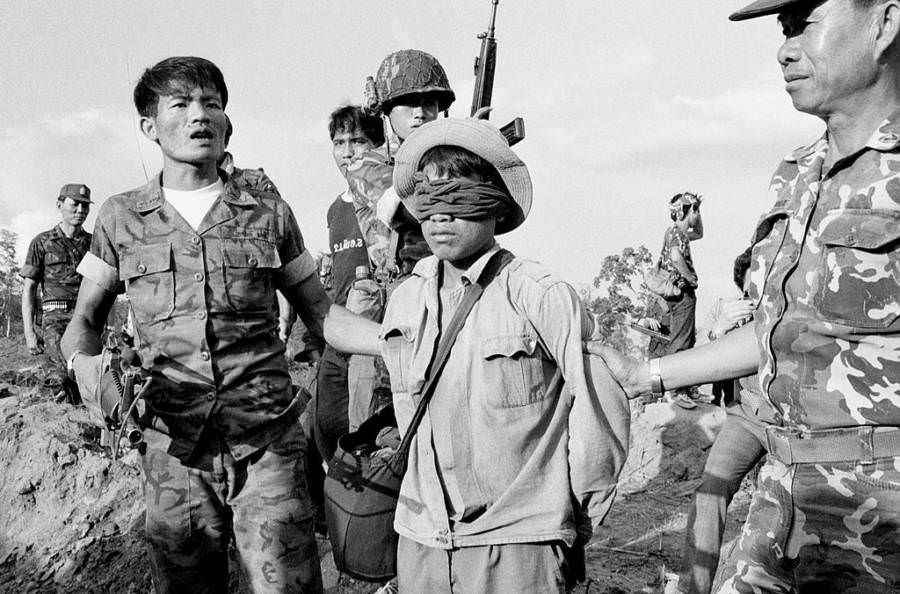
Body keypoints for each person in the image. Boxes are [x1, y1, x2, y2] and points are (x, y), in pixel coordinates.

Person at [593, 0, 900, 590]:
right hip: (781, 497)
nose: (785, 49)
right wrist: (644, 373)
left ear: (884, 24)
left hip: (881, 517)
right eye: (784, 30)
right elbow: (773, 329)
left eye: (805, 23)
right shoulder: (798, 173)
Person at [61, 56, 379, 593]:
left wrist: (397, 341)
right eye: (180, 105)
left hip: (268, 448)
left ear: (227, 120)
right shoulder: (120, 217)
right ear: (148, 126)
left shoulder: (268, 213)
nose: (199, 116)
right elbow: (82, 322)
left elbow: (322, 314)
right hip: (172, 454)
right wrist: (87, 368)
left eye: (212, 103)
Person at [383, 117, 628, 593]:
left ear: (495, 206)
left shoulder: (539, 295)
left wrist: (565, 522)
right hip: (423, 540)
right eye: (428, 202)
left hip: (519, 541)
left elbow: (599, 414)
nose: (440, 216)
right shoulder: (405, 302)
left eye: (459, 199)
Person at [314, 49, 456, 462]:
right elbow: (409, 207)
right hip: (399, 315)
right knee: (380, 448)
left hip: (453, 304)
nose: (421, 113)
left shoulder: (450, 157)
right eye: (408, 104)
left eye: (432, 104)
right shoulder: (368, 167)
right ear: (385, 112)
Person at [679, 248, 770, 594]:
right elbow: (698, 370)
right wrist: (719, 331)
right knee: (710, 490)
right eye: (751, 292)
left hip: (791, 421)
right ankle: (693, 588)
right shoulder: (734, 318)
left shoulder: (796, 307)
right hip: (746, 416)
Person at [20, 183, 92, 402]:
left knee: (90, 376)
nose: (80, 211)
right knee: (59, 378)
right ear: (60, 205)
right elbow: (29, 290)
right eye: (75, 204)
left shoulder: (94, 243)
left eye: (85, 206)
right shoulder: (42, 242)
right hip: (55, 321)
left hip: (87, 319)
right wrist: (30, 333)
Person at [650, 191, 704, 408]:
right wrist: (689, 277)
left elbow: (699, 234)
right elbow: (675, 256)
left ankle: (683, 387)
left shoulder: (677, 233)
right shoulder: (676, 235)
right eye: (695, 210)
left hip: (672, 296)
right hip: (680, 295)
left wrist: (696, 211)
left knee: (679, 340)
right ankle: (677, 389)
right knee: (680, 342)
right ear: (686, 211)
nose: (698, 215)